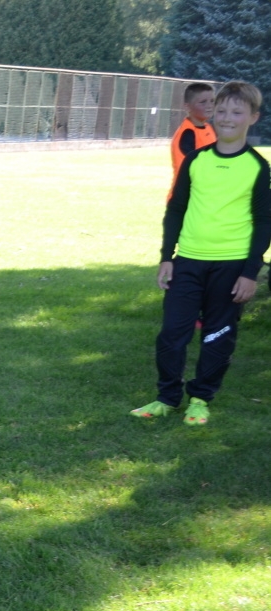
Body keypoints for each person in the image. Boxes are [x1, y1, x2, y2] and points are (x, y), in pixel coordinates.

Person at [132, 81, 270, 427]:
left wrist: (250, 272)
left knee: (217, 336)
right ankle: (167, 397)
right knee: (172, 333)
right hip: (188, 261)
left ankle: (200, 399)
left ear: (252, 117)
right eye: (221, 110)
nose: (226, 118)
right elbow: (176, 209)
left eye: (237, 112)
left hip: (231, 265)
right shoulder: (196, 160)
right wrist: (167, 256)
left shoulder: (256, 167)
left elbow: (265, 222)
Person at [169, 82, 216, 193]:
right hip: (185, 200)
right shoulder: (187, 134)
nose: (209, 106)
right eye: (203, 102)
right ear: (187, 106)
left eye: (212, 101)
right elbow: (191, 170)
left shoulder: (208, 128)